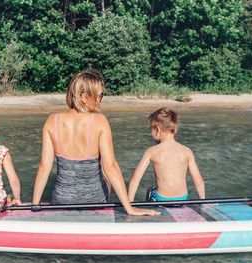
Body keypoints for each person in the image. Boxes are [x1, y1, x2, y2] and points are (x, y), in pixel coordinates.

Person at [32, 70, 160, 216]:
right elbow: (111, 167)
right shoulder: (99, 121)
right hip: (95, 199)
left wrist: (35, 205)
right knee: (105, 167)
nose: (101, 100)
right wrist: (129, 208)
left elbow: (44, 167)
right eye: (100, 95)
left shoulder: (51, 121)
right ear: (85, 97)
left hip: (62, 199)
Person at [128, 107, 205, 202]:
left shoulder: (152, 151)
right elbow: (198, 181)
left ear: (157, 130)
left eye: (151, 129)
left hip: (161, 199)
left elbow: (135, 178)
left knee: (150, 190)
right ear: (174, 130)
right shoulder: (186, 151)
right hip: (182, 199)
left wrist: (130, 203)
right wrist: (203, 202)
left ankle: (149, 207)